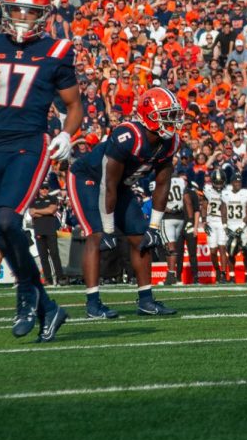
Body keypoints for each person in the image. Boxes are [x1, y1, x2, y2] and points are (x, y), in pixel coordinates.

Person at [0, 0, 83, 342]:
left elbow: (73, 105)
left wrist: (65, 134)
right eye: (16, 9)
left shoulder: (56, 51)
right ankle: (48, 307)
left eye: (30, 11)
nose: (23, 17)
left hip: (31, 144)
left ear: (43, 16)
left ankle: (26, 294)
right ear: (5, 11)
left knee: (10, 220)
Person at [67, 87, 183, 319]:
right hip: (88, 179)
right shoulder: (128, 136)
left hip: (117, 185)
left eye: (173, 115)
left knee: (141, 237)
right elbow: (107, 185)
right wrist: (109, 228)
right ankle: (92, 302)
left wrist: (154, 226)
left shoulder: (170, 143)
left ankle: (146, 300)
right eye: (167, 115)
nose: (172, 121)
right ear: (149, 115)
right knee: (97, 235)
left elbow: (163, 185)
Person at [29, 187, 65, 287]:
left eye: (46, 188)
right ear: (39, 190)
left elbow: (51, 210)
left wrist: (38, 211)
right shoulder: (33, 200)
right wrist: (45, 211)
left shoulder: (52, 198)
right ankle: (48, 279)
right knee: (43, 256)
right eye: (42, 188)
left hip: (50, 230)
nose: (44, 190)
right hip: (39, 231)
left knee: (55, 254)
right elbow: (32, 213)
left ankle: (60, 278)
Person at [161, 170, 192, 285]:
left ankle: (171, 275)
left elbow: (158, 200)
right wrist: (190, 220)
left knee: (170, 247)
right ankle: (171, 274)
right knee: (172, 246)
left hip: (167, 217)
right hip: (180, 218)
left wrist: (164, 209)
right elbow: (187, 201)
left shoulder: (161, 181)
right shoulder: (181, 182)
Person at [200, 169, 231, 282]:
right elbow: (204, 205)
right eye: (216, 182)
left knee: (222, 248)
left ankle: (223, 273)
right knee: (213, 251)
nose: (218, 185)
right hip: (211, 221)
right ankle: (217, 270)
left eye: (220, 182)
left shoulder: (228, 191)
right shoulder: (207, 189)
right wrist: (203, 221)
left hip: (222, 222)